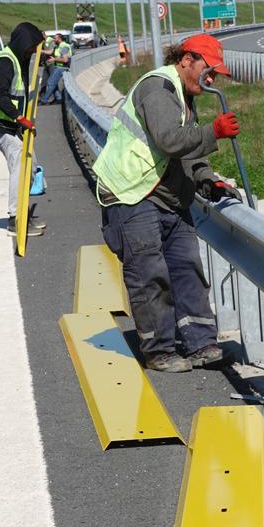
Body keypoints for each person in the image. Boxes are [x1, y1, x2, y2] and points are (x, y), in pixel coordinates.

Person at [92, 33, 242, 373]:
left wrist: (206, 177)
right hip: (130, 194)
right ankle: (158, 349)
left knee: (186, 266)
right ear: (186, 59)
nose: (211, 79)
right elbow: (170, 140)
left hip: (164, 194)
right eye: (209, 70)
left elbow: (183, 154)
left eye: (216, 74)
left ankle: (201, 343)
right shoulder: (158, 88)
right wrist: (213, 133)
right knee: (150, 275)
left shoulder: (183, 95)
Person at [0, 21, 46, 238]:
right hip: (0, 124)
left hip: (11, 124)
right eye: (32, 46)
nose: (34, 51)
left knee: (31, 164)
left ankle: (22, 212)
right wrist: (20, 117)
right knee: (20, 163)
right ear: (23, 43)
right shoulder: (6, 61)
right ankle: (15, 219)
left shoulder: (19, 58)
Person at [40, 33, 71, 105]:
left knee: (51, 82)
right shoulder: (57, 46)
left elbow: (65, 60)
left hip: (62, 67)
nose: (54, 39)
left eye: (55, 38)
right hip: (58, 67)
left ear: (59, 39)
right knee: (52, 83)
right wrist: (40, 51)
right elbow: (50, 52)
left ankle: (44, 100)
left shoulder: (64, 47)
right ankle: (58, 99)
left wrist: (54, 59)